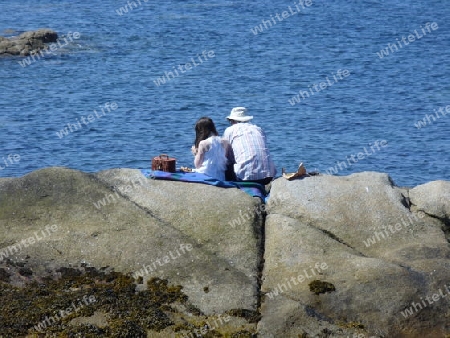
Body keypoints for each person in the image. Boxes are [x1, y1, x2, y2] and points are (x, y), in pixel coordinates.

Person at [223, 107, 276, 185]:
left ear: (232, 120)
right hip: (269, 176)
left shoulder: (229, 130)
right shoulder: (258, 129)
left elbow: (225, 157)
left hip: (245, 178)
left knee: (225, 161)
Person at [191, 117, 234, 181]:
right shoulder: (225, 142)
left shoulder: (203, 143)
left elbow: (197, 165)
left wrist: (195, 153)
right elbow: (228, 161)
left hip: (206, 175)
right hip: (221, 176)